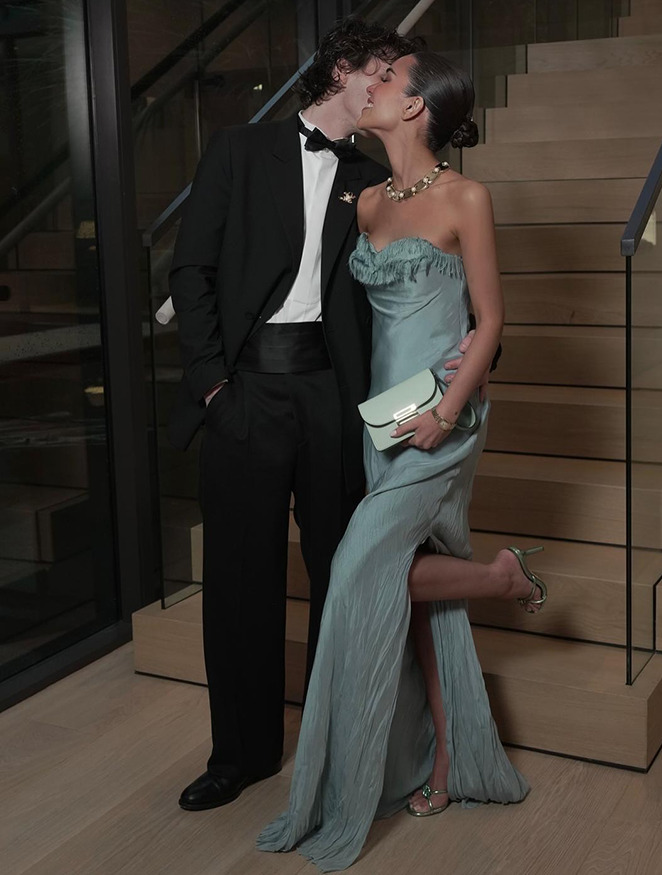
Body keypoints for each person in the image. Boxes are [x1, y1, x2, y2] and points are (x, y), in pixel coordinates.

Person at [257, 50, 547, 871]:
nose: (372, 84)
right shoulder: (369, 201)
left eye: (388, 79)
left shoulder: (466, 197)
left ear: (416, 107)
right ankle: (447, 752)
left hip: (444, 419)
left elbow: (490, 320)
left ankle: (498, 581)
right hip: (381, 421)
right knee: (415, 596)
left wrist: (448, 410)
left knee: (358, 568)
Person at [168, 19, 430, 813]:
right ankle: (240, 754)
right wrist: (214, 390)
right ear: (344, 70)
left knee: (340, 580)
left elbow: (410, 286)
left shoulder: (375, 177)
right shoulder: (238, 151)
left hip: (333, 399)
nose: (394, 89)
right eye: (384, 72)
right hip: (246, 393)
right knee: (239, 583)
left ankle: (331, 745)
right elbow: (192, 269)